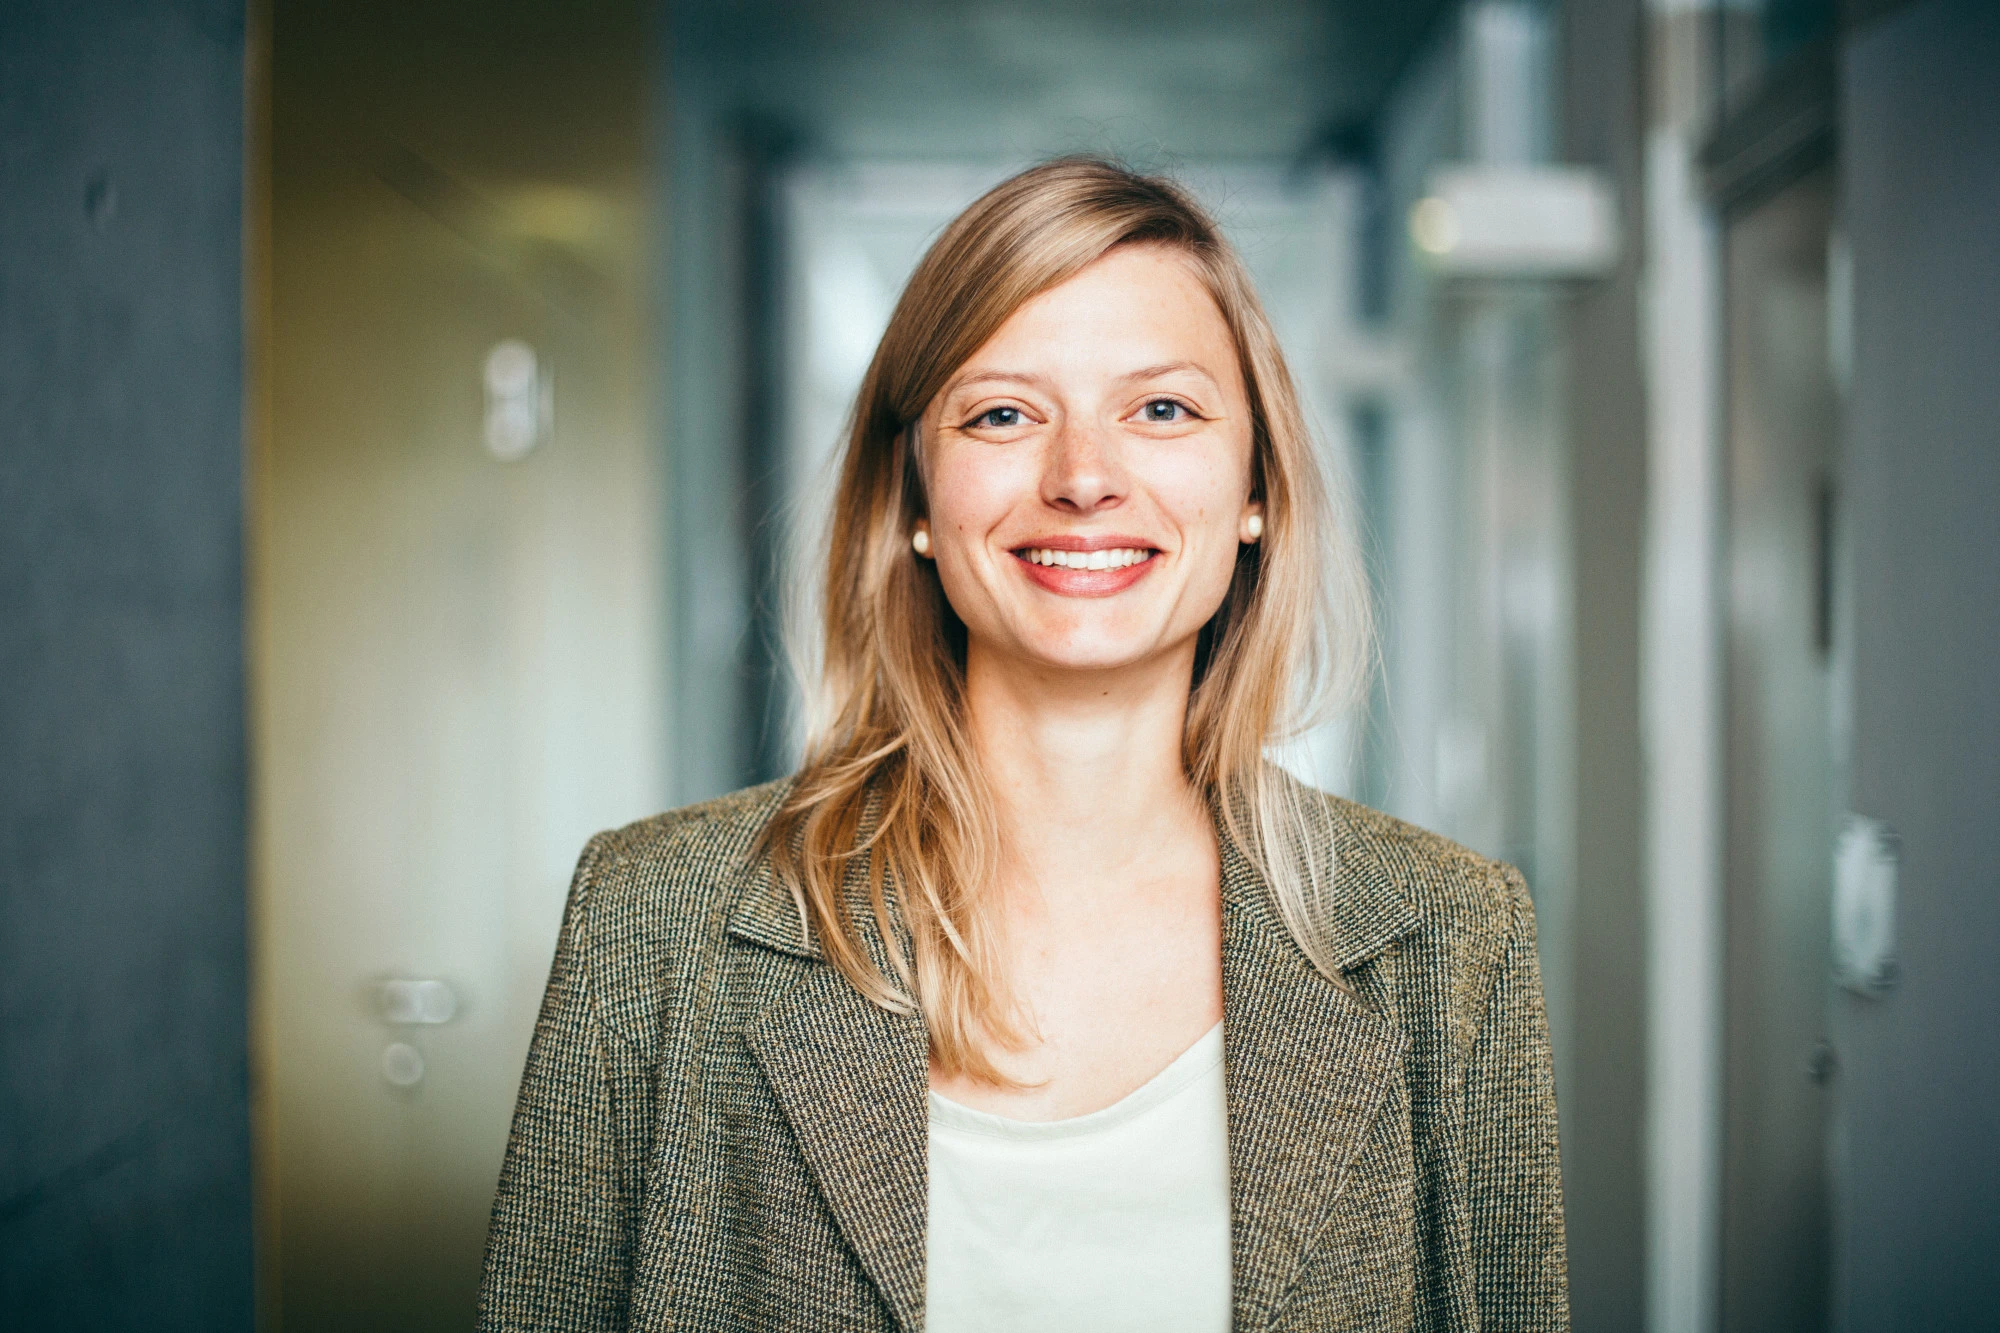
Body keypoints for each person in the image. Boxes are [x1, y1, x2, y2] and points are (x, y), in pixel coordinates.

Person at [478, 157, 1568, 1333]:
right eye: (1002, 412)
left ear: (1253, 485)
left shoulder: (1450, 938)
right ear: (913, 497)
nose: (1083, 478)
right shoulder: (652, 919)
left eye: (1161, 409)